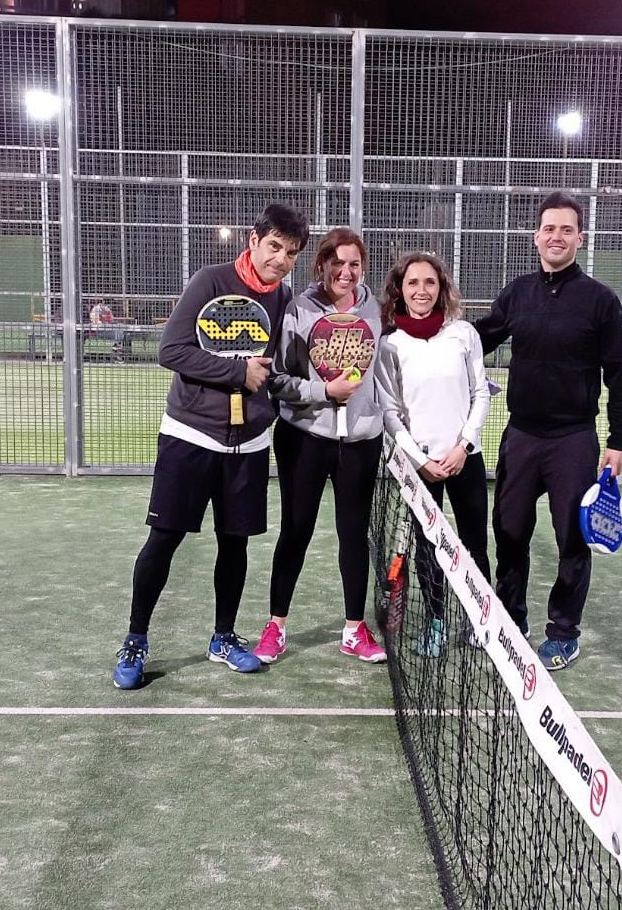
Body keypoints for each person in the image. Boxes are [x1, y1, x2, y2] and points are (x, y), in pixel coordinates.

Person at [112, 204, 309, 690]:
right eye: (274, 247)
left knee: (235, 543)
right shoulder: (210, 281)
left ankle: (223, 637)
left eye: (291, 254)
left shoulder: (284, 298)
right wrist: (237, 372)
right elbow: (171, 350)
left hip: (249, 443)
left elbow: (279, 368)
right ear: (253, 240)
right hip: (191, 435)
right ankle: (135, 640)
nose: (281, 260)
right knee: (164, 539)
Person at [475, 191, 622, 672]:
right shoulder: (517, 293)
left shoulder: (600, 301)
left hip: (573, 440)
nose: (557, 237)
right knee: (509, 532)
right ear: (536, 237)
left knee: (571, 539)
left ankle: (563, 634)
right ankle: (511, 619)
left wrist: (618, 440)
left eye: (566, 229)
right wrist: (427, 337)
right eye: (549, 229)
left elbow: (620, 372)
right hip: (521, 436)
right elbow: (478, 339)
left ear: (580, 238)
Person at [257, 227, 387, 665]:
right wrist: (324, 392)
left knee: (354, 534)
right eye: (338, 263)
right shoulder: (300, 309)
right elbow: (277, 380)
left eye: (354, 264)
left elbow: (387, 371)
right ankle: (276, 626)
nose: (346, 272)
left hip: (361, 441)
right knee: (296, 530)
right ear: (321, 264)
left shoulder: (375, 310)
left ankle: (354, 630)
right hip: (304, 438)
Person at [375, 252, 492, 657]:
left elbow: (480, 393)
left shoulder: (464, 334)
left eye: (429, 282)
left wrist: (464, 446)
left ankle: (481, 623)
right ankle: (436, 622)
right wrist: (420, 460)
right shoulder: (390, 344)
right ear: (400, 290)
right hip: (418, 468)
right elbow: (390, 412)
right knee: (428, 549)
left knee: (475, 545)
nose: (421, 290)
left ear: (441, 288)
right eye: (413, 283)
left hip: (464, 460)